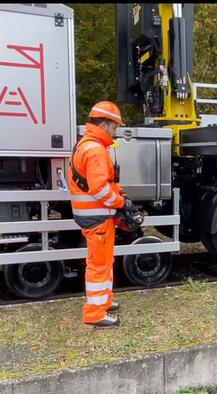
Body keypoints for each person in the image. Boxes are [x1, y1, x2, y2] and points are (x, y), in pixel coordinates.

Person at [68, 101, 143, 328]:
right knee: (99, 264)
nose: (115, 131)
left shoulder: (86, 145)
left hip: (93, 216)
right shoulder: (96, 150)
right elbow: (99, 189)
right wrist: (121, 202)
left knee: (103, 260)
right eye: (114, 126)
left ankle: (104, 302)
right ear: (104, 123)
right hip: (97, 217)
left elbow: (102, 183)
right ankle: (94, 313)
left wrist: (119, 194)